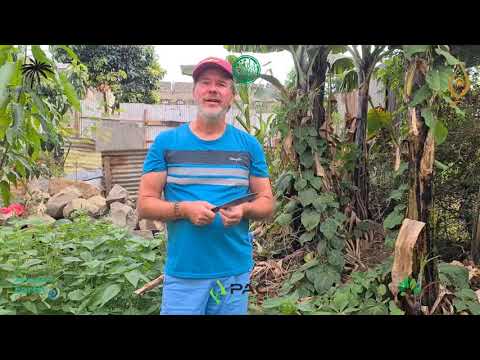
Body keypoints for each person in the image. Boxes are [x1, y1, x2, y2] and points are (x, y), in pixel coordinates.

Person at [137, 57, 274, 315]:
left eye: (221, 84)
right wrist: (183, 210)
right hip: (183, 274)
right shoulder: (166, 143)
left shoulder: (249, 146)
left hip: (235, 274)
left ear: (231, 95)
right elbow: (144, 204)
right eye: (205, 83)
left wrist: (244, 211)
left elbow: (266, 202)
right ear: (195, 92)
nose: (213, 89)